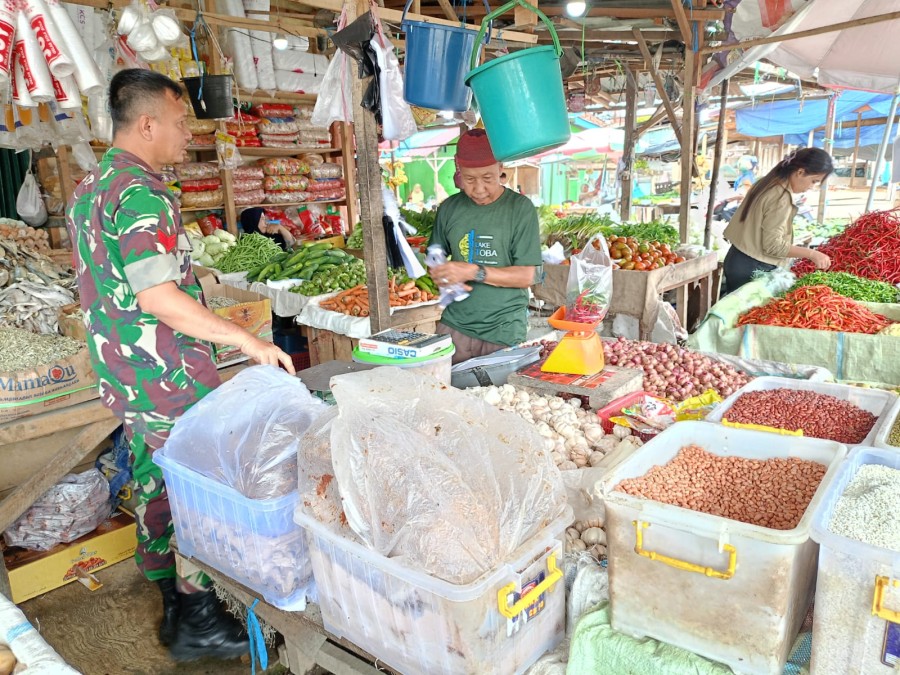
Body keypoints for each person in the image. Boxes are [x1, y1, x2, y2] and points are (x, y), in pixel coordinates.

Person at [66, 69, 295, 662]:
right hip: (164, 371)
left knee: (155, 475)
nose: (187, 134)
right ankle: (197, 616)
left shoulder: (90, 187)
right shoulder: (142, 194)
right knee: (195, 484)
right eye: (179, 121)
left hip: (124, 370)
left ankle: (171, 601)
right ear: (146, 123)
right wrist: (245, 341)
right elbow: (158, 297)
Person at [428, 129, 542, 364]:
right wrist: (440, 273)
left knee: (501, 388)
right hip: (455, 325)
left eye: (487, 178)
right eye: (469, 179)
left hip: (503, 330)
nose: (479, 189)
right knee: (440, 385)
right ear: (458, 169)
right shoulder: (449, 208)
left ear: (500, 167)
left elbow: (527, 276)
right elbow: (434, 257)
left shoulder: (520, 209)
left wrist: (473, 272)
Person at [723, 148, 833, 293]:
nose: (811, 187)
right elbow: (773, 246)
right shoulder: (780, 197)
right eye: (813, 181)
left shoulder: (768, 181)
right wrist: (812, 254)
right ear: (800, 172)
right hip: (753, 267)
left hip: (738, 258)